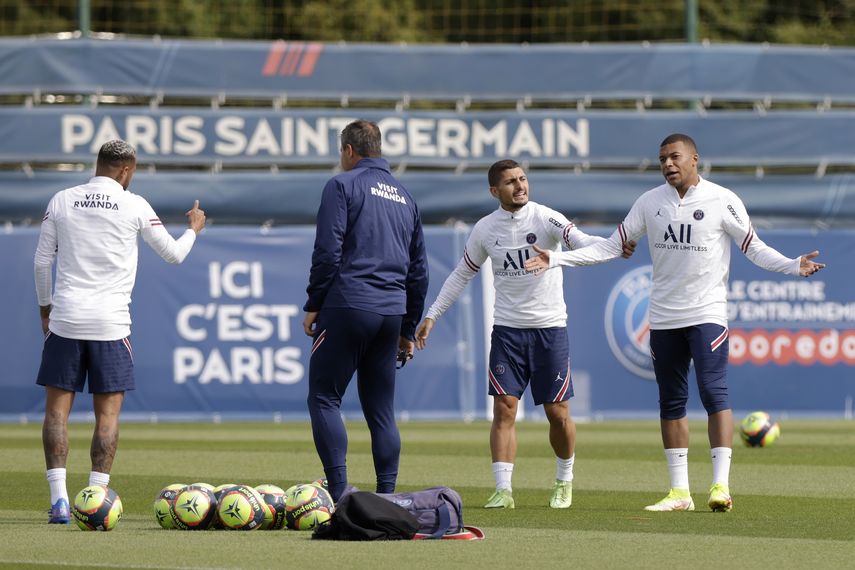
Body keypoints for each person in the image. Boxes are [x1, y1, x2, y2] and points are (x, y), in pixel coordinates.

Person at [525, 133, 825, 513]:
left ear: (694, 159)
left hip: (706, 313)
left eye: (675, 157)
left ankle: (720, 486)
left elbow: (754, 248)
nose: (668, 164)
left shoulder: (722, 199)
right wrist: (557, 259)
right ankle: (680, 493)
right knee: (671, 401)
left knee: (714, 392)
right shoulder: (649, 202)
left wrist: (792, 265)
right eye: (662, 159)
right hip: (664, 316)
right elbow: (611, 247)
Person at [414, 159, 635, 509]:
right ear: (494, 191)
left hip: (549, 330)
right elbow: (461, 274)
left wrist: (612, 246)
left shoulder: (546, 217)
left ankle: (564, 480)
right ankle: (503, 490)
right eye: (510, 182)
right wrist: (433, 314)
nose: (519, 186)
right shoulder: (485, 229)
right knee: (504, 409)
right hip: (507, 332)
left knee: (557, 413)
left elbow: (582, 242)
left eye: (522, 179)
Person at [34, 139, 206, 524]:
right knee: (107, 417)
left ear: (99, 164)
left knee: (56, 414)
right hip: (111, 324)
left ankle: (59, 500)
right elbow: (174, 254)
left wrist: (46, 310)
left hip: (66, 319)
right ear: (126, 170)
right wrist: (193, 228)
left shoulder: (62, 200)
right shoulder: (135, 205)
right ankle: (95, 497)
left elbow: (42, 262)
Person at [303, 120, 428, 503]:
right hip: (391, 313)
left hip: (348, 304)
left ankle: (340, 494)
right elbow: (419, 271)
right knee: (382, 411)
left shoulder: (341, 185)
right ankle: (386, 498)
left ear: (348, 150)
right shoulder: (406, 197)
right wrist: (407, 329)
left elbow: (328, 251)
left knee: (324, 398)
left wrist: (314, 303)